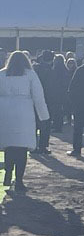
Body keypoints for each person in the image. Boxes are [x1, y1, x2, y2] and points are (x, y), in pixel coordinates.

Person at [0, 51, 50, 193]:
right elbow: (39, 97)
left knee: (9, 147)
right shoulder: (30, 75)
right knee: (22, 149)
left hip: (5, 113)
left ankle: (8, 172)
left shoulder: (2, 74)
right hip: (24, 113)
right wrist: (44, 117)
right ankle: (20, 180)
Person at [32, 50, 60, 155]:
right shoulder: (51, 71)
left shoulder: (35, 69)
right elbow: (54, 87)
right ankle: (43, 146)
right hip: (48, 100)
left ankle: (34, 146)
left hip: (35, 99)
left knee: (35, 124)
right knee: (46, 124)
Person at [50, 53, 70, 131]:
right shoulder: (65, 69)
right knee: (59, 109)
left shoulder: (56, 69)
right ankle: (57, 125)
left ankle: (57, 126)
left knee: (56, 110)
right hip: (63, 92)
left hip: (56, 92)